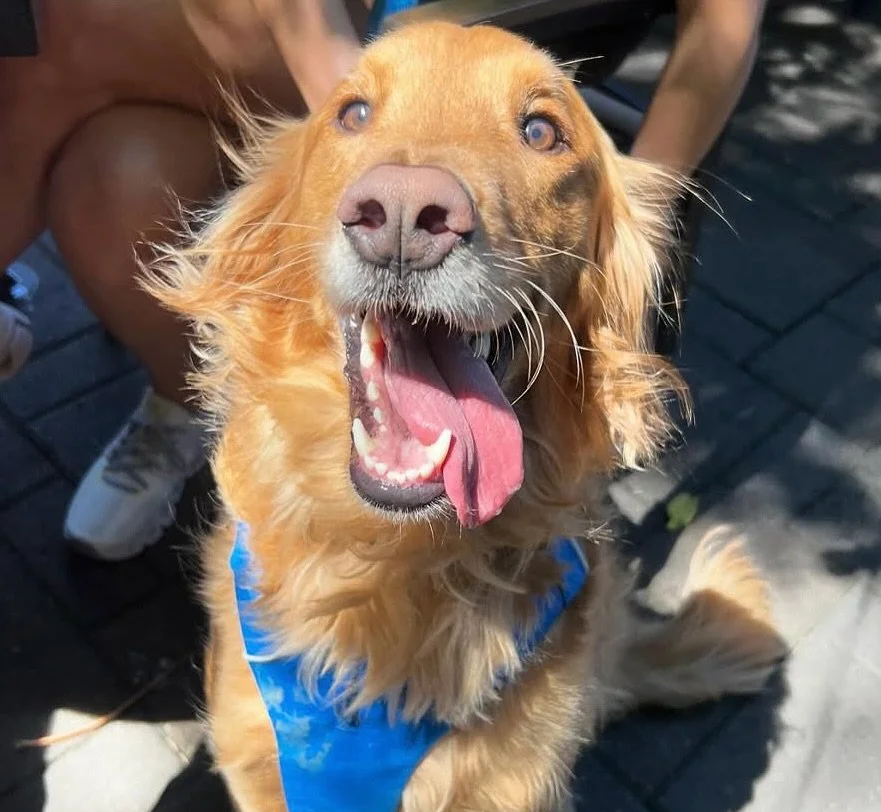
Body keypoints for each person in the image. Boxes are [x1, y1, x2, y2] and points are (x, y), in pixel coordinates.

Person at [0, 0, 765, 561]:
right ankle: (193, 400)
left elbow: (722, 23)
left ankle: (177, 390)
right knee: (104, 147)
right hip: (320, 20)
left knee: (99, 125)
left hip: (491, 18)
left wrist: (630, 219)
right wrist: (362, 118)